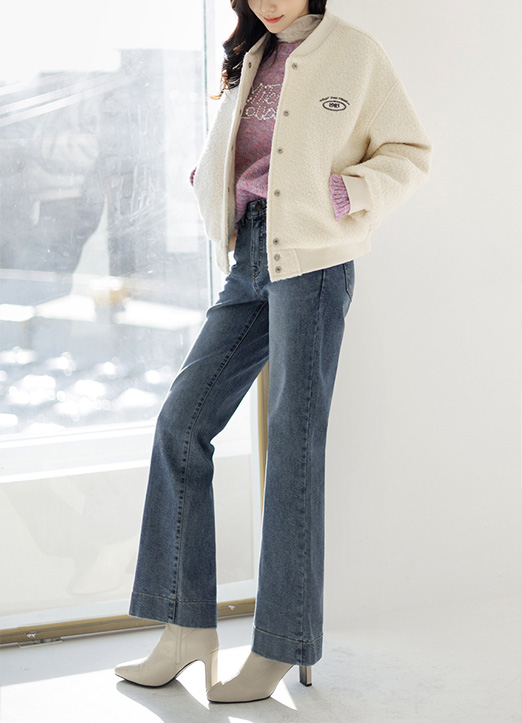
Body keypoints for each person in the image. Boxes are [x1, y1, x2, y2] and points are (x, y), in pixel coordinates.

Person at [115, 0, 431, 703]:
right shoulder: (255, 55)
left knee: (293, 444)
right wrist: (213, 181)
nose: (269, 1)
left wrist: (347, 191)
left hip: (314, 264)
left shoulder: (354, 52)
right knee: (181, 424)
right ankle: (185, 626)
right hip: (249, 257)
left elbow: (410, 152)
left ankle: (280, 644)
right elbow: (248, 152)